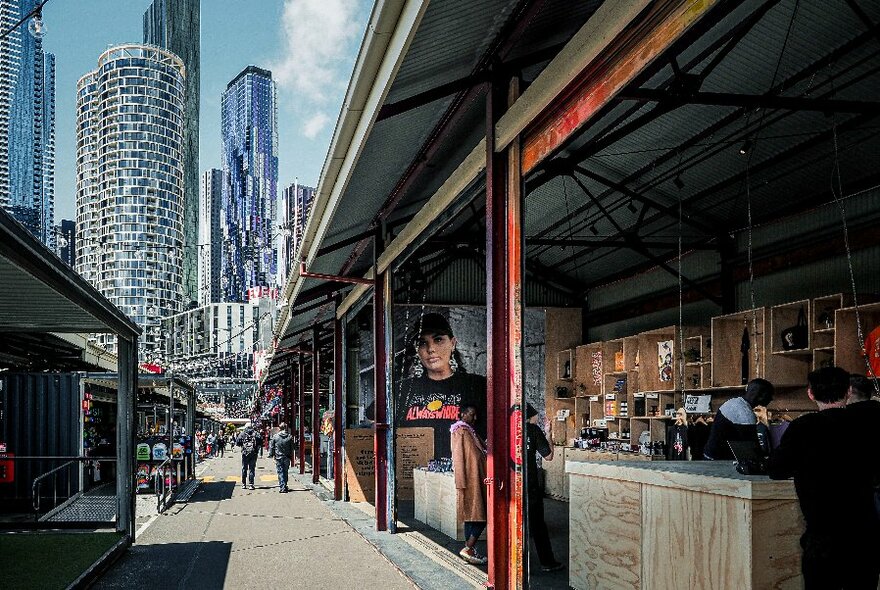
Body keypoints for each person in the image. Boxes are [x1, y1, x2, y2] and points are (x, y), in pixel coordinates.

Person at [768, 367, 880, 589]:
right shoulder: (869, 425)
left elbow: (776, 469)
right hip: (865, 533)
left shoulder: (803, 427)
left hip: (823, 536)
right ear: (848, 391)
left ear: (810, 393)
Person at [396, 312, 487, 460]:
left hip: (462, 479)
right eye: (422, 343)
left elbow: (521, 420)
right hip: (414, 478)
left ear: (453, 343)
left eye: (438, 340)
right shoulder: (402, 390)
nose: (431, 349)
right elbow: (374, 424)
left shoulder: (477, 386)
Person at [525, 404, 563, 572]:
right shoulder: (533, 430)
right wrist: (548, 433)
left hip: (511, 484)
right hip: (530, 484)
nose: (537, 419)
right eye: (535, 416)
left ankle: (512, 563)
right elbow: (548, 456)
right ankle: (547, 562)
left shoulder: (508, 429)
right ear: (530, 416)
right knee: (538, 525)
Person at [451, 404, 487, 566]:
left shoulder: (469, 431)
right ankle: (468, 548)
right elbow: (458, 458)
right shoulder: (460, 431)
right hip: (471, 481)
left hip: (476, 479)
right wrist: (461, 482)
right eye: (472, 414)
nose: (475, 418)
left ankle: (469, 550)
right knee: (479, 516)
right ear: (462, 414)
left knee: (471, 517)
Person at [704, 378, 774, 460]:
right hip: (718, 461)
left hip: (710, 455)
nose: (771, 399)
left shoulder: (733, 402)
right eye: (769, 395)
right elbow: (751, 450)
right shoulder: (745, 414)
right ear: (760, 395)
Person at [268, 422, 295, 493]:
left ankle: (282, 486)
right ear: (285, 428)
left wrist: (271, 454)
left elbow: (272, 447)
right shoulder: (289, 436)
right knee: (285, 471)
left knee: (280, 471)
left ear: (279, 428)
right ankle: (284, 485)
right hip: (287, 456)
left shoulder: (275, 436)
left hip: (278, 456)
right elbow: (293, 448)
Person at [237, 424, 261, 490]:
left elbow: (238, 442)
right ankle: (251, 484)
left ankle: (244, 484)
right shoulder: (256, 433)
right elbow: (261, 441)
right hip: (254, 453)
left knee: (244, 468)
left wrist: (243, 445)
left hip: (245, 453)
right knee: (252, 468)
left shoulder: (242, 434)